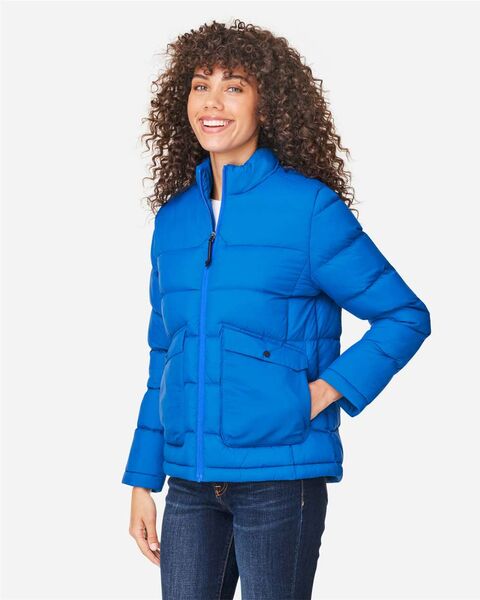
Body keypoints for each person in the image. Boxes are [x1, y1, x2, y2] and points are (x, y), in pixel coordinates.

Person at [121, 19, 431, 600]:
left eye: (234, 87)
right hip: (190, 482)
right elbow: (166, 354)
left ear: (267, 104)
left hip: (280, 477)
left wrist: (322, 392)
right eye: (200, 85)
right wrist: (143, 478)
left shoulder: (308, 209)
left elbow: (404, 315)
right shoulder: (174, 221)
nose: (212, 102)